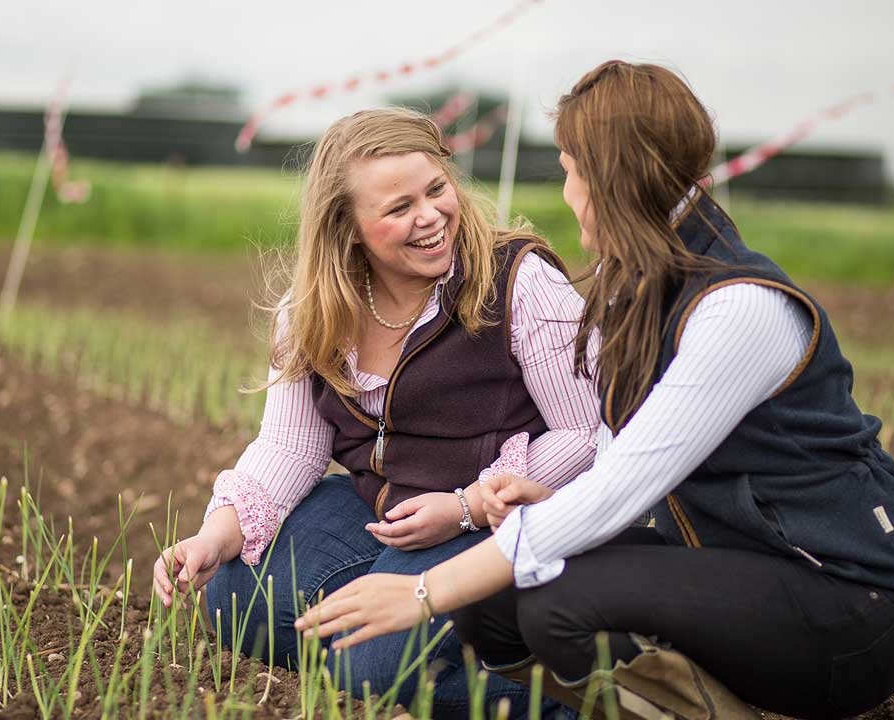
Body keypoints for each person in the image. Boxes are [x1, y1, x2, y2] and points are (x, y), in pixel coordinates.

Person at [294, 61, 894, 720]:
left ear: (610, 180)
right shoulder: (638, 286)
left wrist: (423, 593)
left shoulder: (739, 309)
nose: (568, 191)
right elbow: (619, 467)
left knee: (557, 606)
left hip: (851, 604)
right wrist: (541, 498)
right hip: (736, 561)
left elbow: (620, 488)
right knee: (496, 603)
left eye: (572, 170)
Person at [152, 108, 600, 716]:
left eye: (437, 189)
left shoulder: (519, 280)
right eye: (398, 208)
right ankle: (396, 646)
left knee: (377, 662)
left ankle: (575, 695)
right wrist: (213, 536)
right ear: (348, 229)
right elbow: (290, 448)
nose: (431, 217)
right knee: (232, 592)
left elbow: (588, 433)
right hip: (380, 523)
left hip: (503, 525)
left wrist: (467, 505)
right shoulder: (309, 312)